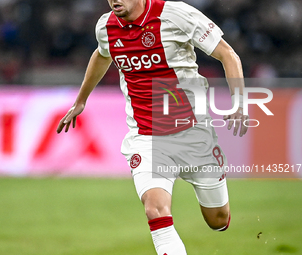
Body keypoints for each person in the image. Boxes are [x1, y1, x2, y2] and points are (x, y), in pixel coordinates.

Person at [57, 0, 248, 254]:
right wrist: (81, 100)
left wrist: (240, 102)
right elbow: (102, 54)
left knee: (218, 220)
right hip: (146, 137)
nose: (115, 0)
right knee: (155, 209)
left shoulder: (176, 14)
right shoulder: (106, 26)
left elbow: (227, 53)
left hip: (193, 132)